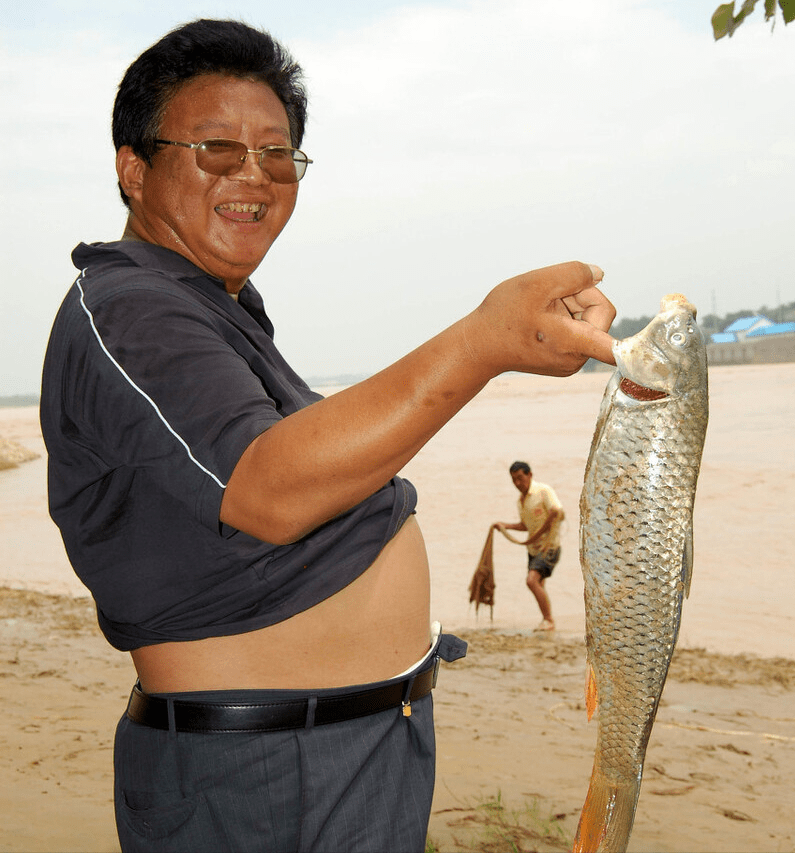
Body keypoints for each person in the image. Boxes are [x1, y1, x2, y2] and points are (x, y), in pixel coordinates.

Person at [39, 18, 615, 853]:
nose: (254, 174)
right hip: (264, 771)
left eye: (278, 154)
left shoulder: (216, 308)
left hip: (350, 746)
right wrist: (485, 341)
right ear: (134, 169)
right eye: (215, 148)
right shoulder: (127, 306)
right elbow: (270, 488)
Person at [493, 461, 564, 631]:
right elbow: (526, 526)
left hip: (549, 547)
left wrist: (545, 530)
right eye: (514, 480)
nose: (517, 483)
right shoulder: (521, 501)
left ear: (529, 475)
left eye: (520, 478)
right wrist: (505, 526)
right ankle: (546, 622)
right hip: (533, 549)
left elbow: (557, 512)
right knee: (538, 584)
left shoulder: (543, 491)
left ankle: (549, 620)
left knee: (531, 581)